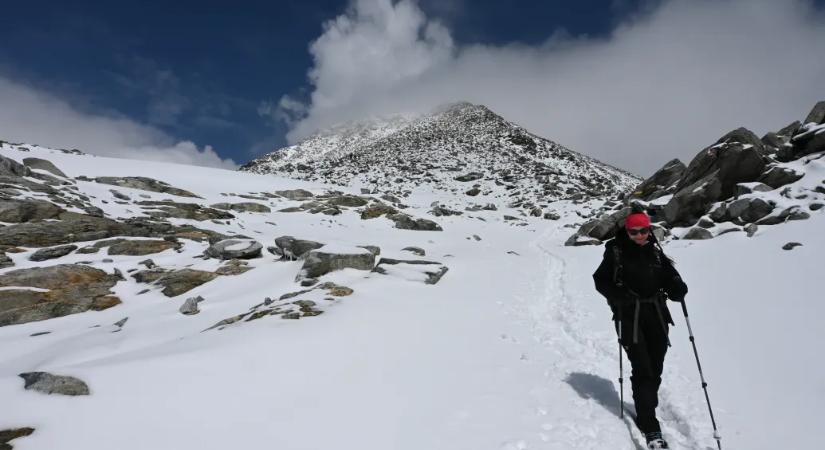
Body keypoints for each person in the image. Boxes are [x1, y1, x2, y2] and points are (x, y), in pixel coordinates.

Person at [592, 211, 688, 450]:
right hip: (629, 317)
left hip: (657, 316)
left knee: (655, 367)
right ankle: (648, 420)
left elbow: (670, 275)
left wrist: (677, 286)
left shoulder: (655, 250)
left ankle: (645, 403)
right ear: (627, 230)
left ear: (649, 230)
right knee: (643, 368)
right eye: (634, 231)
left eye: (643, 230)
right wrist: (618, 296)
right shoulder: (615, 250)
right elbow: (600, 279)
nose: (639, 235)